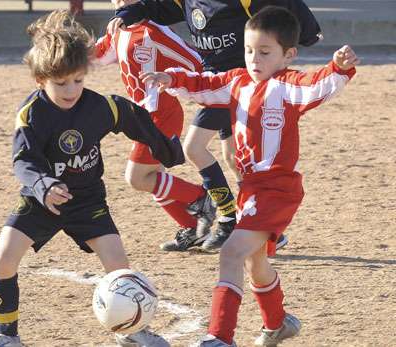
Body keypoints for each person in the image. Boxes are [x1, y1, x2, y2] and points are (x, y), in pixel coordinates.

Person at [141, 6, 358, 346]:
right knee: (256, 262)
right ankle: (277, 323)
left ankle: (220, 337)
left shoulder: (287, 86)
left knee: (230, 253)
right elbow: (203, 85)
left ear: (289, 55)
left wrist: (339, 69)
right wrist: (171, 79)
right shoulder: (238, 81)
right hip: (251, 190)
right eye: (249, 50)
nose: (254, 59)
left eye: (265, 52)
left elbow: (317, 86)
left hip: (277, 190)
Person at [0, 10, 186, 347]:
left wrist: (166, 148)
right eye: (60, 83)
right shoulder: (32, 114)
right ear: (40, 80)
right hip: (41, 201)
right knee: (3, 258)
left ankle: (133, 331)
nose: (71, 89)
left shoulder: (98, 106)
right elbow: (23, 161)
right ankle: (6, 336)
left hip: (88, 199)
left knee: (119, 267)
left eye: (78, 80)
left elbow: (133, 117)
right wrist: (44, 185)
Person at [109, 0, 322, 252]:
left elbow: (286, 9)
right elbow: (157, 8)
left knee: (194, 147)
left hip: (239, 83)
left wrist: (307, 32)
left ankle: (229, 218)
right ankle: (263, 226)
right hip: (216, 84)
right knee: (233, 157)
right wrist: (127, 13)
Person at [93, 0, 217, 252]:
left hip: (164, 113)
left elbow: (195, 62)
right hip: (142, 117)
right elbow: (97, 56)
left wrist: (173, 81)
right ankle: (193, 228)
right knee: (151, 176)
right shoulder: (117, 29)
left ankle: (201, 198)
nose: (120, 2)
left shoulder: (154, 31)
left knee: (138, 177)